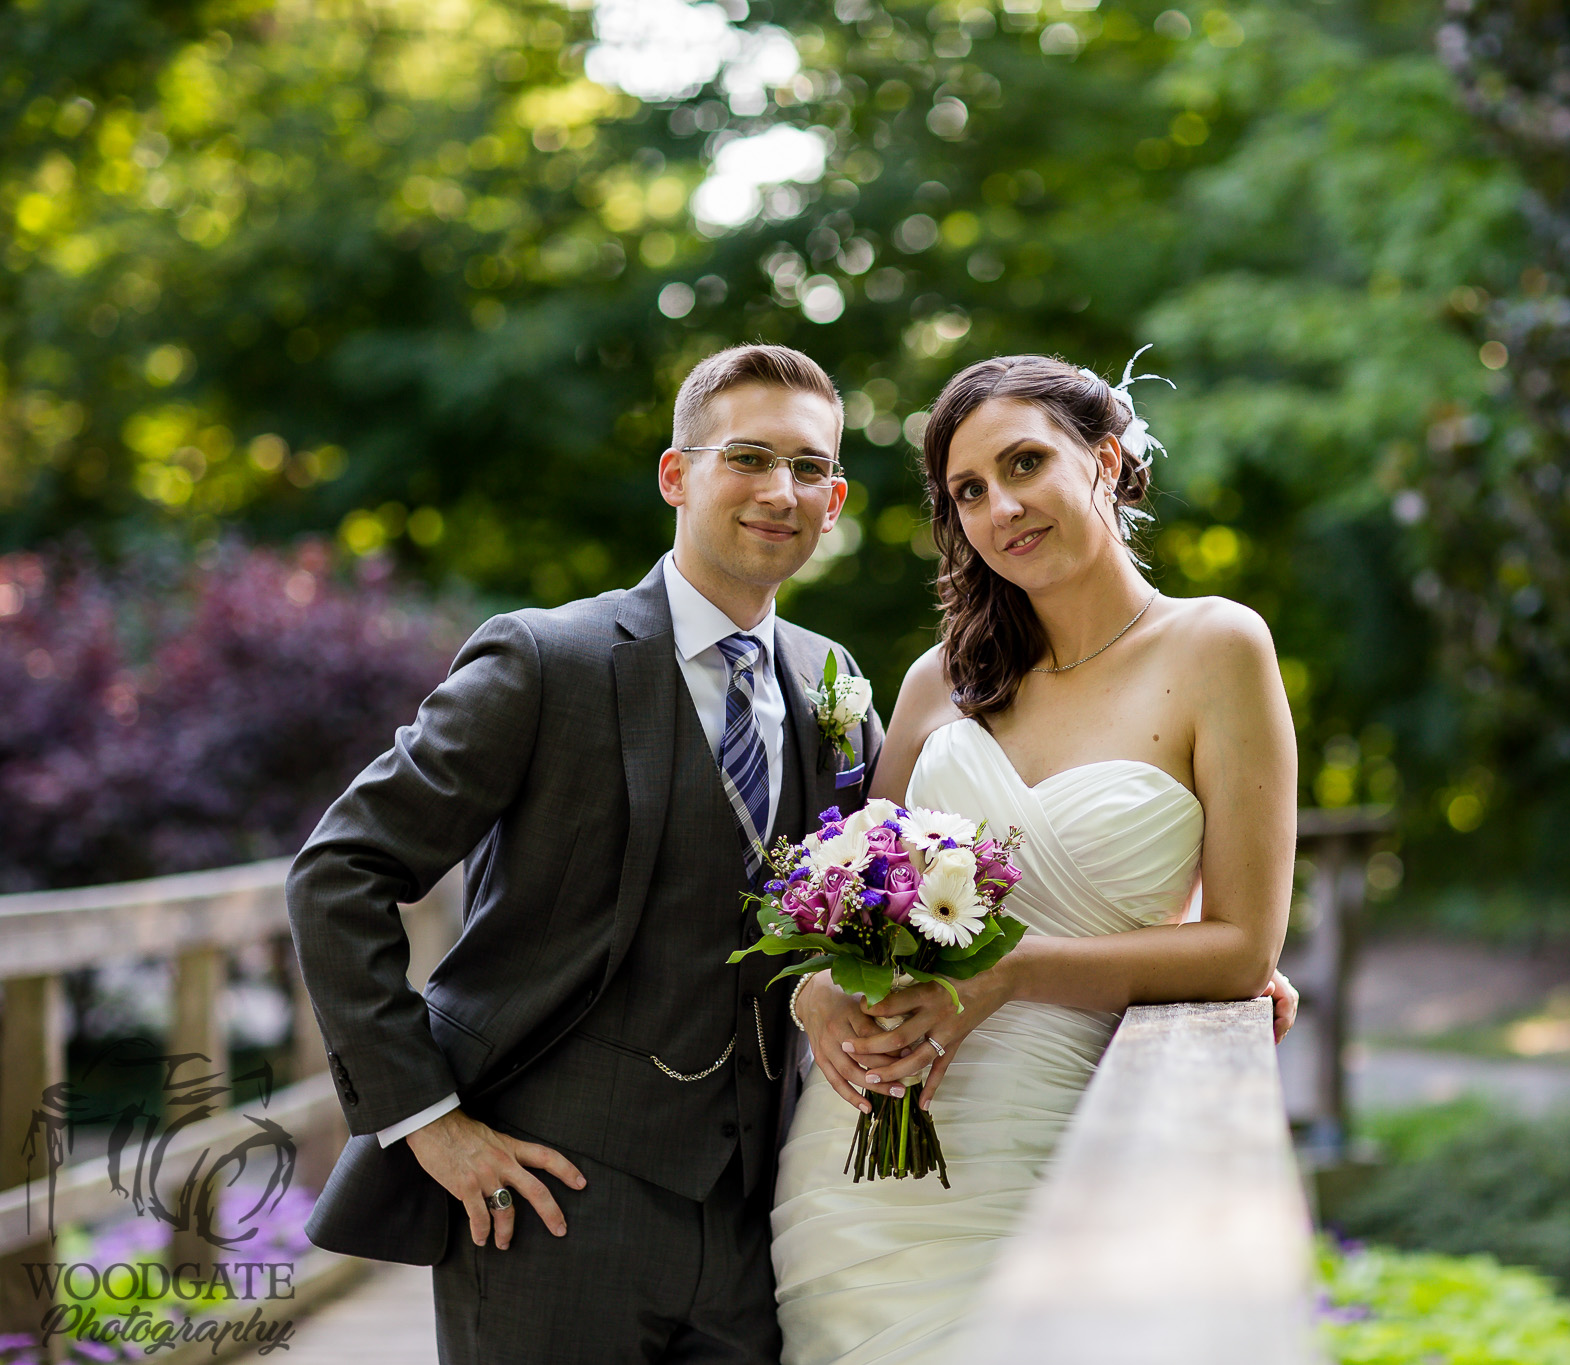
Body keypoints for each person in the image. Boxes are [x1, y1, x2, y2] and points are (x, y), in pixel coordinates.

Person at [287, 344, 886, 1364]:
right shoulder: (544, 661)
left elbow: (876, 890)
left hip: (758, 1213)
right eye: (746, 456)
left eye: (808, 467)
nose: (780, 491)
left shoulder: (830, 680)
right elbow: (338, 872)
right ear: (675, 474)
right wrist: (428, 1121)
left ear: (834, 499)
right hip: (545, 1207)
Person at [771, 354, 1301, 1364]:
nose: (999, 506)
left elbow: (1240, 947)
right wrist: (815, 1000)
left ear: (1103, 459)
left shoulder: (1217, 649)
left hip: (1060, 1138)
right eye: (967, 491)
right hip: (862, 1163)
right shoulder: (941, 681)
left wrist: (1007, 975)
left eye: (1023, 464)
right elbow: (848, 903)